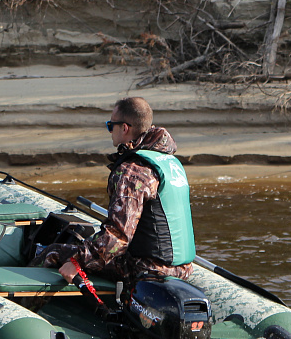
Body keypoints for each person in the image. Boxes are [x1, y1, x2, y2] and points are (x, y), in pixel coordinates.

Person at [34, 96, 196, 284]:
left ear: (124, 128)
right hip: (183, 269)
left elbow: (118, 236)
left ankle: (23, 299)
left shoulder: (133, 171)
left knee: (53, 252)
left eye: (111, 125)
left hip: (145, 268)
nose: (110, 131)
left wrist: (78, 261)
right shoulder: (169, 162)